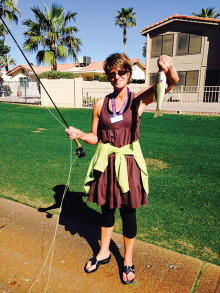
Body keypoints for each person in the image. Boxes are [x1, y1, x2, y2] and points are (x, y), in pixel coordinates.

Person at [65, 53, 179, 284]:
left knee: (128, 212)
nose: (116, 77)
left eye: (121, 72)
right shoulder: (100, 104)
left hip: (128, 163)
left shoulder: (138, 100)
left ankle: (127, 259)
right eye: (112, 74)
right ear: (108, 76)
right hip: (106, 164)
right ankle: (104, 252)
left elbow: (172, 83)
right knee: (107, 210)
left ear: (129, 73)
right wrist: (79, 134)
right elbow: (95, 137)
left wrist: (168, 68)